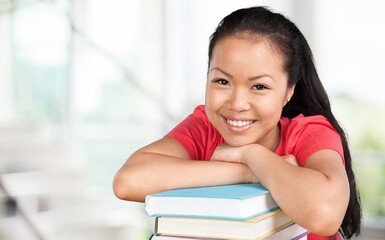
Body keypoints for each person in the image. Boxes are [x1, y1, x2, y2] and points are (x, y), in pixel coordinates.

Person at [113, 6, 361, 240]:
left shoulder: (310, 132)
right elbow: (128, 181)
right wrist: (249, 171)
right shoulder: (204, 126)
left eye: (259, 86)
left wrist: (253, 155)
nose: (237, 103)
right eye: (222, 81)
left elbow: (325, 213)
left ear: (288, 91)